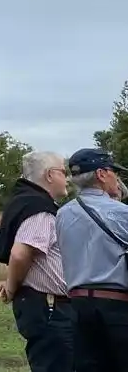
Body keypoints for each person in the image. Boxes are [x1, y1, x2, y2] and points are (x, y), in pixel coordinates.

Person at [0, 151, 73, 371]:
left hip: (45, 307)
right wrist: (11, 287)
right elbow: (21, 253)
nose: (67, 179)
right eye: (63, 172)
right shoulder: (39, 209)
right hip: (50, 310)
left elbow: (34, 261)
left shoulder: (26, 202)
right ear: (49, 175)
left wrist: (12, 279)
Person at [57, 147, 128, 371]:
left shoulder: (62, 214)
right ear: (101, 173)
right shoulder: (120, 213)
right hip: (116, 305)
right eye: (113, 172)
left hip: (78, 306)